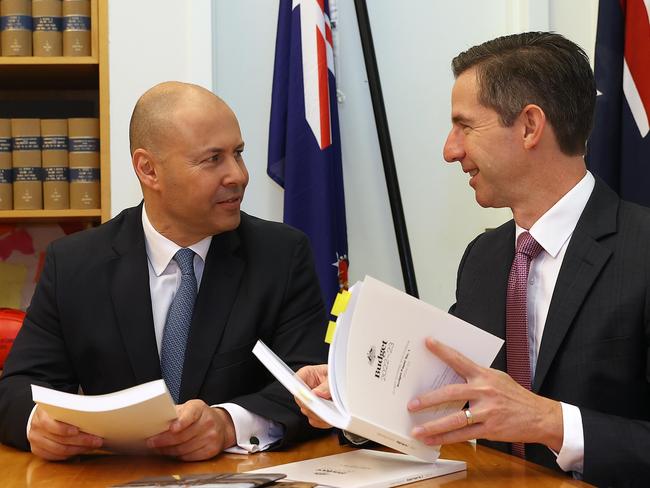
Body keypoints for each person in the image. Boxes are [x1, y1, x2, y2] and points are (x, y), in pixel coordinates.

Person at [295, 32, 650, 487]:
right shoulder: (484, 258)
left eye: (465, 126)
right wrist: (350, 393)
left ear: (529, 126)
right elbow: (444, 397)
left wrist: (549, 421)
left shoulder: (641, 250)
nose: (450, 150)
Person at [0, 82, 329, 462]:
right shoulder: (75, 264)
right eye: (213, 159)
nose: (238, 175)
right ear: (149, 169)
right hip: (115, 477)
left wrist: (227, 424)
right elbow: (16, 389)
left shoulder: (281, 255)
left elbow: (310, 385)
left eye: (238, 154)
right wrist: (37, 422)